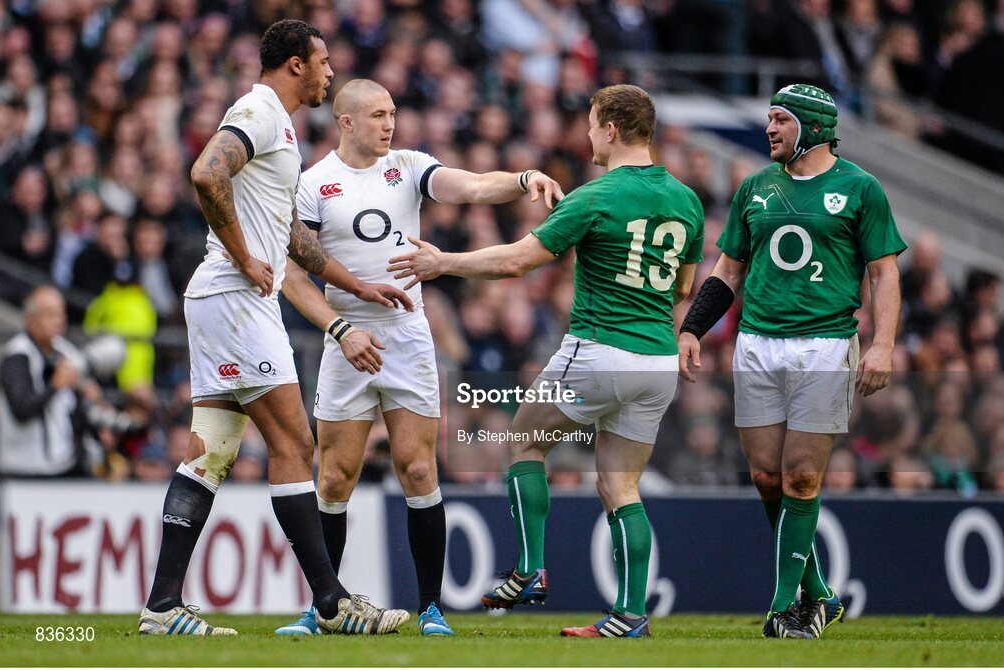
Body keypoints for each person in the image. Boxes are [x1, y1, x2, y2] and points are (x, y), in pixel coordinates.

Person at [389, 84, 705, 638]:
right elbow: (683, 289)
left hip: (599, 349)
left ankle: (531, 569)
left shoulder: (596, 195)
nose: (585, 134)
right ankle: (630, 615)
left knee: (523, 440)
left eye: (590, 123)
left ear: (610, 129)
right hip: (656, 359)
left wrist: (443, 262)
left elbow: (516, 262)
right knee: (621, 487)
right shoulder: (688, 200)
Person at [139, 20, 412, 637]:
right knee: (295, 446)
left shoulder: (278, 128)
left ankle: (161, 606)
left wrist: (357, 285)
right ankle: (332, 603)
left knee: (210, 450)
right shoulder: (259, 111)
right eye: (322, 64)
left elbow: (293, 238)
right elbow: (206, 173)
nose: (330, 74)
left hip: (223, 300)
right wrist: (241, 253)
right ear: (294, 65)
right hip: (236, 299)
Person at [273, 78, 565, 638]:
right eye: (379, 115)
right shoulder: (313, 185)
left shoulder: (408, 166)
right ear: (347, 121)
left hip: (406, 336)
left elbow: (476, 187)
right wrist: (338, 328)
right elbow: (292, 276)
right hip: (347, 340)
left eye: (393, 113)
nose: (390, 124)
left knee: (418, 468)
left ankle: (431, 607)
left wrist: (524, 178)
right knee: (334, 478)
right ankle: (325, 607)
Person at [676, 84, 905, 639]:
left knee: (802, 476)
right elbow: (728, 271)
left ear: (813, 127)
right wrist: (691, 328)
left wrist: (881, 344)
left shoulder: (860, 188)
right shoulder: (754, 187)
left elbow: (884, 273)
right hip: (758, 342)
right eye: (770, 119)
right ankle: (821, 593)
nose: (770, 129)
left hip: (825, 344)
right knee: (766, 476)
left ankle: (784, 607)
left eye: (780, 119)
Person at [0, 285, 94, 477]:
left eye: (61, 314)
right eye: (50, 314)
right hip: (23, 471)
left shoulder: (64, 351)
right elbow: (22, 409)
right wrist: (55, 385)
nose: (59, 321)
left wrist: (89, 394)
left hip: (61, 465)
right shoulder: (17, 355)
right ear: (30, 319)